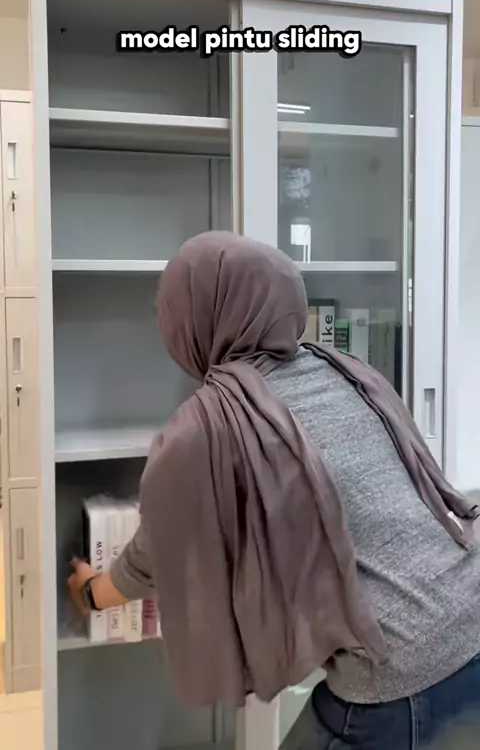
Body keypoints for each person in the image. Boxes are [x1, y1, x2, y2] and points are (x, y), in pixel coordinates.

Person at [68, 231, 480, 750]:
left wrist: (93, 592)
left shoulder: (211, 426)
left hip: (398, 677)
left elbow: (161, 550)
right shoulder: (343, 371)